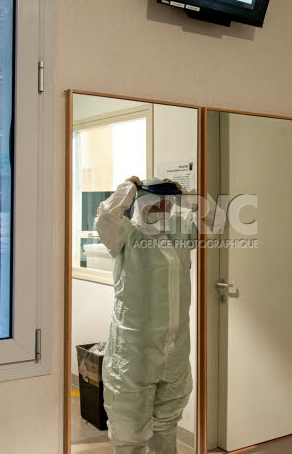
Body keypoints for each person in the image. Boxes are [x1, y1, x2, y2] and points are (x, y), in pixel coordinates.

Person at [95, 176, 199, 454]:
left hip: (174, 349)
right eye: (154, 202)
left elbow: (210, 220)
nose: (161, 208)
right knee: (130, 433)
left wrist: (183, 193)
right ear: (140, 202)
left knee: (166, 425)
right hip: (134, 353)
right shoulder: (125, 235)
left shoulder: (180, 235)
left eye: (166, 204)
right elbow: (106, 216)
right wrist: (129, 188)